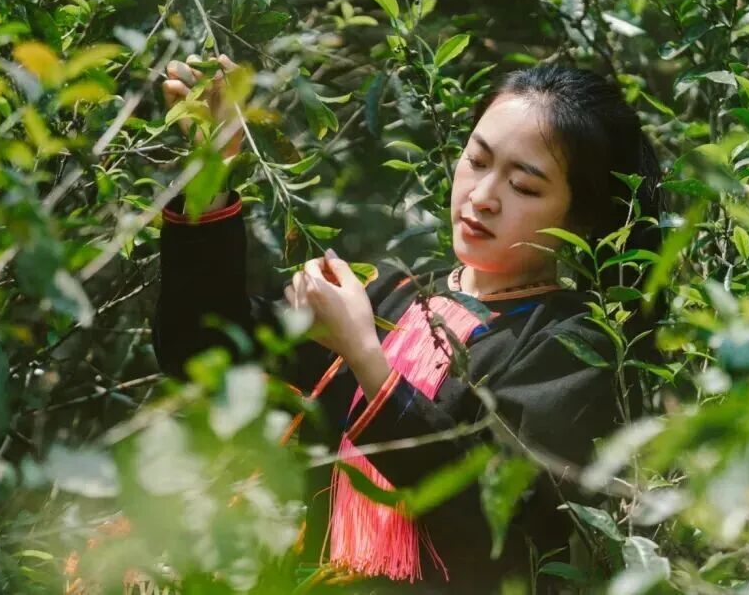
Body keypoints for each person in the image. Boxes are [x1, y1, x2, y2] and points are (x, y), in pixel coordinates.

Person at [152, 57, 664, 594]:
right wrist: (211, 169)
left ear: (581, 215)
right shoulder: (386, 296)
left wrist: (366, 359)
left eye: (523, 186)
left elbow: (504, 529)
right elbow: (199, 350)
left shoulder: (575, 345)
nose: (482, 196)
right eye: (477, 160)